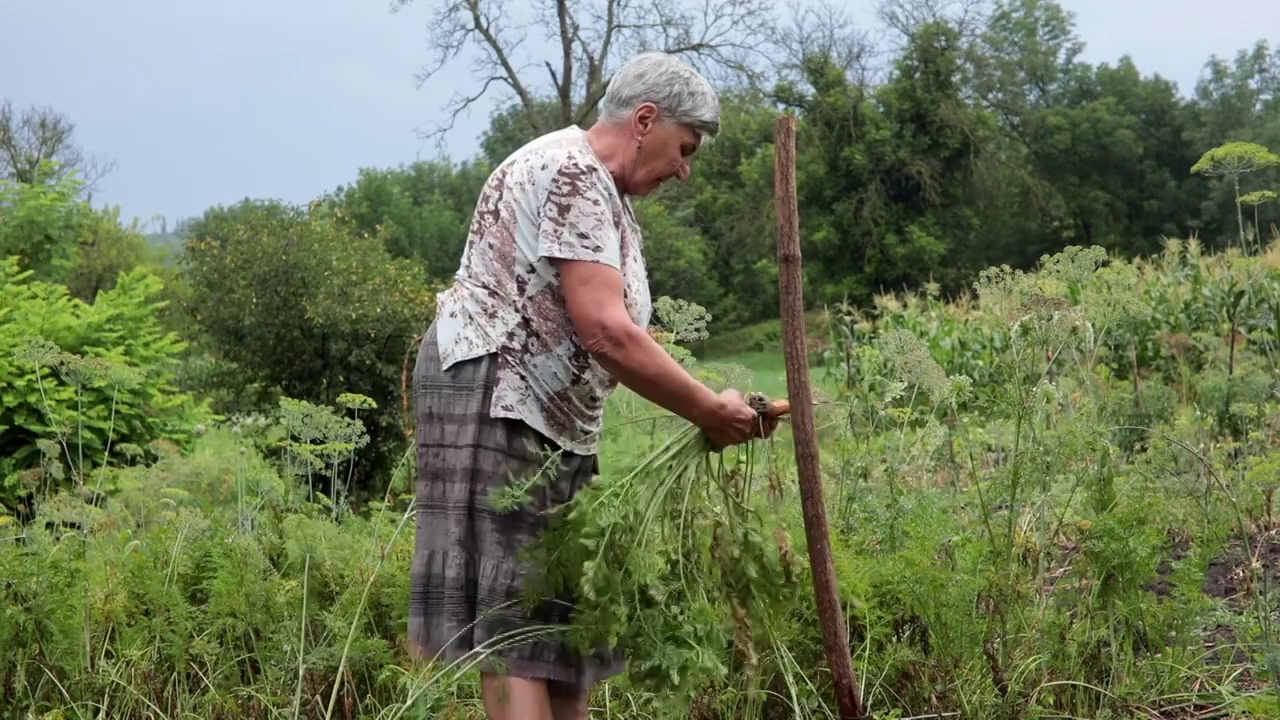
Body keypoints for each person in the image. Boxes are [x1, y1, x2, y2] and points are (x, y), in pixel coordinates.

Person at [407, 51, 777, 720]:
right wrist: (703, 410)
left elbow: (614, 336)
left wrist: (720, 404)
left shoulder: (606, 198)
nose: (685, 170)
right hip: (498, 394)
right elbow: (606, 331)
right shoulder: (573, 173)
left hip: (550, 418)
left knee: (560, 627)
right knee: (516, 623)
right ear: (644, 120)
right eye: (685, 148)